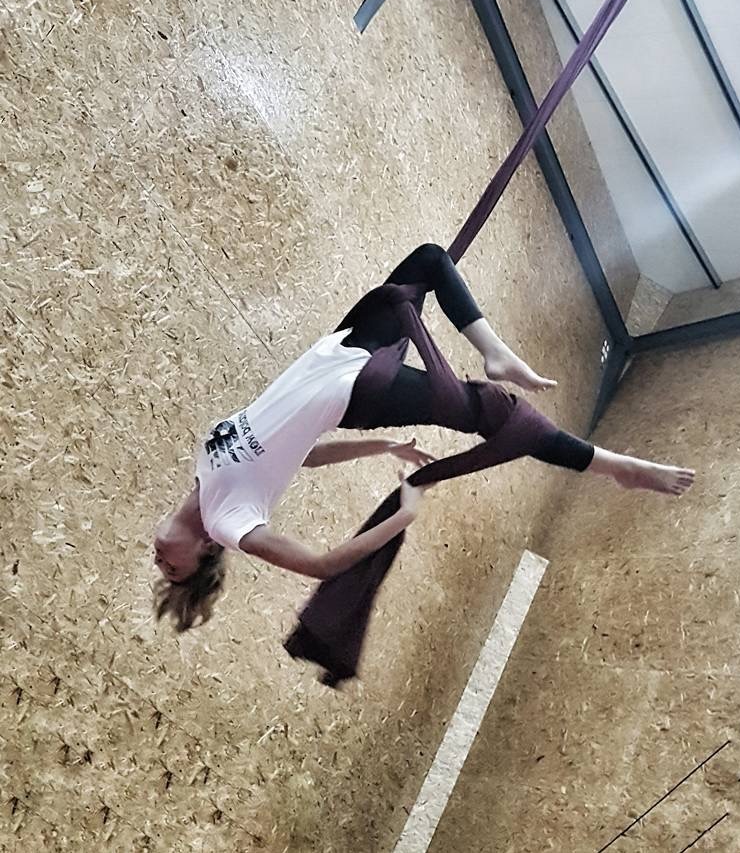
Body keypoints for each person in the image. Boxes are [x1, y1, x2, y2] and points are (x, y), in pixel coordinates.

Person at [153, 244, 694, 632]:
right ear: (205, 550)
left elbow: (305, 456)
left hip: (337, 353)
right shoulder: (230, 524)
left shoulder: (206, 466)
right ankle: (616, 466)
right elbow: (322, 565)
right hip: (359, 391)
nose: (161, 560)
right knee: (501, 416)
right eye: (174, 568)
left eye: (162, 566)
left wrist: (386, 447)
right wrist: (403, 515)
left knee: (430, 261)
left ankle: (496, 352)